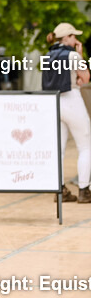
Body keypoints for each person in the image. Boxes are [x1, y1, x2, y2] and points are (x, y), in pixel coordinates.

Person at [42, 22, 91, 202]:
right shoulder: (72, 55)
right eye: (74, 36)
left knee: (59, 149)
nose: (76, 39)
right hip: (71, 99)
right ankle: (84, 190)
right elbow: (85, 76)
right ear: (67, 37)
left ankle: (60, 190)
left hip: (53, 103)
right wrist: (80, 54)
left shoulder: (47, 56)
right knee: (85, 146)